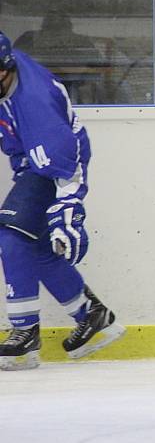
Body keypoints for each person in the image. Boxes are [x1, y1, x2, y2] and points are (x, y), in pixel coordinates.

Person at [0, 31, 125, 371]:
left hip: (50, 165)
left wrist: (68, 210)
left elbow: (67, 169)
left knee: (11, 236)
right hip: (34, 158)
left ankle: (25, 334)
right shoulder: (8, 71)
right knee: (35, 246)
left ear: (6, 68)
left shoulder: (35, 107)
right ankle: (92, 315)